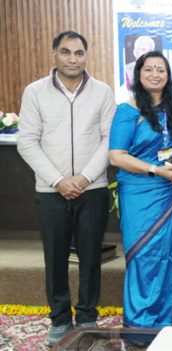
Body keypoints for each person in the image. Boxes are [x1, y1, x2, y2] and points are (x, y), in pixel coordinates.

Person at [17, 30, 115, 346]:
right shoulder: (35, 92)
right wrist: (59, 180)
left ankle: (87, 318)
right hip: (51, 191)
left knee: (90, 257)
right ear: (54, 54)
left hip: (93, 188)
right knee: (55, 258)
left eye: (78, 53)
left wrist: (84, 178)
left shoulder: (102, 92)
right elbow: (27, 141)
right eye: (66, 52)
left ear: (87, 56)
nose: (73, 58)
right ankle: (60, 320)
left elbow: (109, 139)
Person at [108, 51, 172, 328]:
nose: (155, 74)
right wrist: (156, 170)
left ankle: (171, 324)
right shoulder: (128, 111)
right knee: (143, 256)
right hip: (141, 194)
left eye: (161, 70)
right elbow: (116, 156)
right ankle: (140, 326)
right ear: (137, 76)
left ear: (168, 76)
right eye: (148, 69)